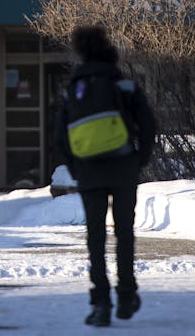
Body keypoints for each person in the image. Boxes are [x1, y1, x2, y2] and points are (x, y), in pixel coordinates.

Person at [54, 25, 156, 327]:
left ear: (81, 53)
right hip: (124, 166)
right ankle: (126, 295)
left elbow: (60, 136)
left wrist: (77, 167)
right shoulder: (123, 86)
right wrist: (139, 159)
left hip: (89, 171)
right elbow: (148, 125)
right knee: (124, 233)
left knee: (95, 237)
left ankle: (100, 303)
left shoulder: (74, 89)